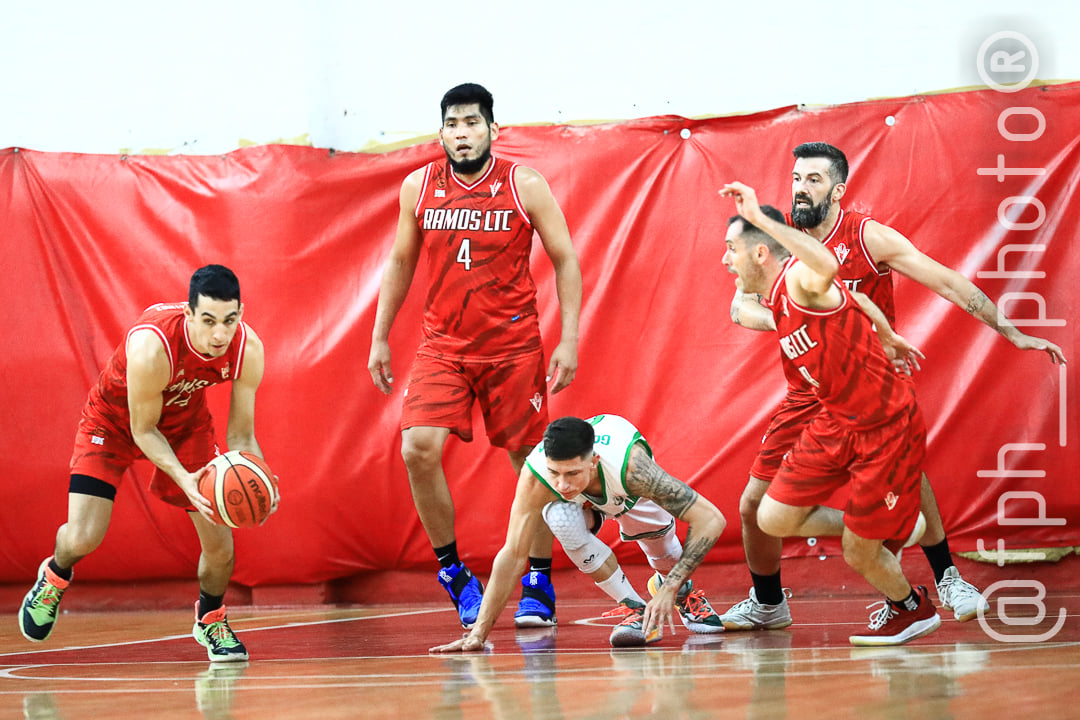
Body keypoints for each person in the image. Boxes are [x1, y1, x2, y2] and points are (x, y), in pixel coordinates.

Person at [719, 142, 1067, 631]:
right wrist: (793, 322)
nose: (801, 188)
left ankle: (946, 575)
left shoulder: (866, 237)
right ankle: (769, 602)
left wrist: (1009, 330)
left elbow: (946, 281)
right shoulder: (773, 242)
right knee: (755, 506)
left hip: (868, 390)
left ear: (838, 189)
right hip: (808, 395)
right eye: (797, 178)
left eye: (814, 180)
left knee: (909, 474)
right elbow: (739, 306)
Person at [367, 83, 582, 630]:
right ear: (441, 131)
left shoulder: (523, 184)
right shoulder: (418, 187)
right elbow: (398, 263)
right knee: (418, 448)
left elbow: (565, 259)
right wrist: (379, 336)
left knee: (532, 465)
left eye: (472, 123)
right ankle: (454, 573)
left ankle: (537, 578)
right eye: (452, 124)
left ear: (492, 128)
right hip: (444, 346)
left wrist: (570, 338)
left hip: (512, 348)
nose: (462, 133)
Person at [720, 185, 941, 646]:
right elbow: (854, 296)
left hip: (884, 425)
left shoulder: (799, 278)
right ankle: (887, 524)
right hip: (836, 421)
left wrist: (760, 218)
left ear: (761, 251)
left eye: (730, 250)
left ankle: (912, 608)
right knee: (772, 517)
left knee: (858, 554)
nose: (725, 261)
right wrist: (885, 332)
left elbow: (829, 266)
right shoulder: (774, 297)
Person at [18, 265, 273, 662]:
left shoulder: (247, 348)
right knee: (84, 537)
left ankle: (211, 618)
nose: (220, 334)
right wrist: (185, 480)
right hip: (116, 424)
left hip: (186, 427)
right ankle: (54, 574)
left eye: (229, 320)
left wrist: (262, 480)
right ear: (189, 315)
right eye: (208, 321)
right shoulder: (152, 347)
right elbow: (144, 429)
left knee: (221, 547)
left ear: (241, 312)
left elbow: (241, 436)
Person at [430, 414, 727, 652]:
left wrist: (669, 588)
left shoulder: (633, 470)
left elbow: (711, 520)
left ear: (593, 461)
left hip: (624, 493)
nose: (561, 484)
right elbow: (513, 552)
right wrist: (478, 634)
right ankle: (633, 608)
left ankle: (683, 593)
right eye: (554, 473)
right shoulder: (536, 474)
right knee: (559, 517)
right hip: (584, 501)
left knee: (666, 556)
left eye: (571, 473)